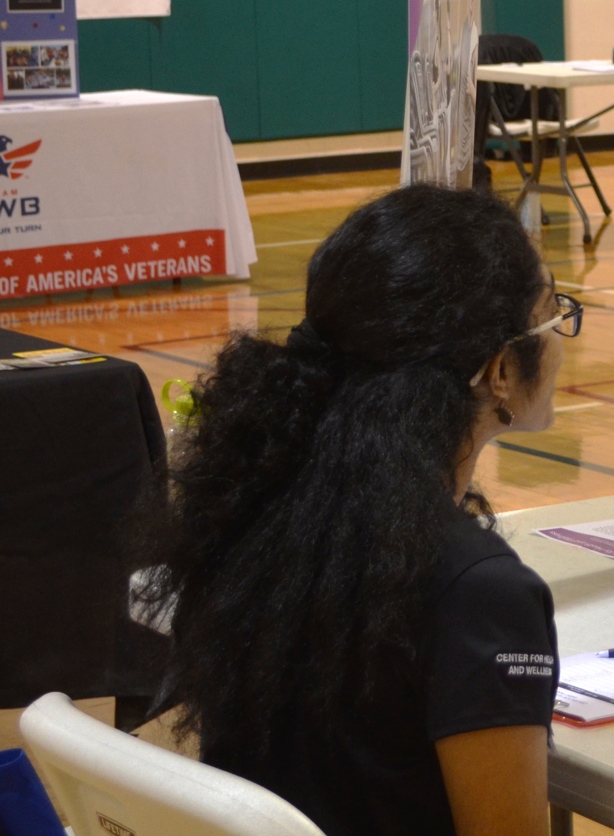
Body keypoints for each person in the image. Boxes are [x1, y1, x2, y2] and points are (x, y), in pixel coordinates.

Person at [140, 184, 580, 836]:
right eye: (553, 315)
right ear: (501, 373)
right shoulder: (477, 589)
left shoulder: (256, 507)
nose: (563, 339)